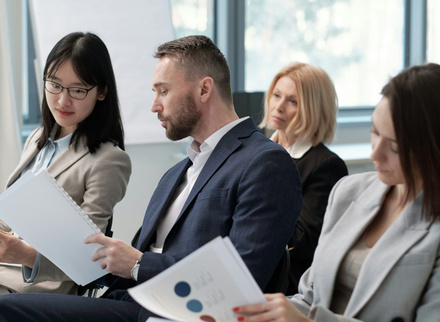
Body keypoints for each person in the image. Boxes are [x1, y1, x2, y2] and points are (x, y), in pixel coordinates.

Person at [0, 35, 302, 321]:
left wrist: (137, 263)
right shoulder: (175, 175)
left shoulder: (264, 162)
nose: (154, 105)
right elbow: (125, 266)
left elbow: (243, 275)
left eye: (164, 91)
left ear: (204, 89)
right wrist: (100, 255)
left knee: (6, 309)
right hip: (122, 300)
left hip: (166, 313)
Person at [233, 63, 440, 321]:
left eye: (395, 147)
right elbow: (310, 297)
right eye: (375, 132)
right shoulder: (349, 192)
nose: (374, 154)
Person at [0, 32, 131, 295]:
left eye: (78, 90)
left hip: (37, 289)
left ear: (102, 92)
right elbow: (11, 215)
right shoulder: (38, 138)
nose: (62, 100)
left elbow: (88, 258)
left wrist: (26, 255)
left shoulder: (109, 160)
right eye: (55, 85)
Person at [260, 62, 347, 294]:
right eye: (276, 95)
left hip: (286, 283)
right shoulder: (255, 151)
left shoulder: (326, 165)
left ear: (313, 109)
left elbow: (302, 243)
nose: (278, 107)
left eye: (293, 101)